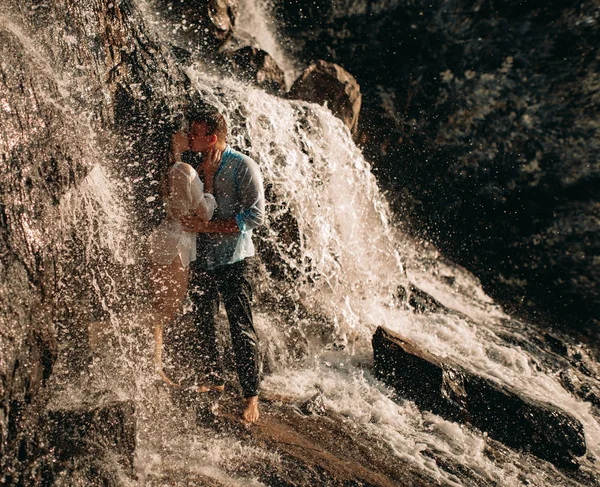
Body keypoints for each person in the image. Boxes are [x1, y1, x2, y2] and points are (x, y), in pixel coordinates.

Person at [179, 104, 265, 424]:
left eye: (195, 133)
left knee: (240, 328)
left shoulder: (244, 166)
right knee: (204, 322)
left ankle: (251, 397)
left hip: (234, 259)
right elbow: (193, 205)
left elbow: (255, 216)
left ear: (212, 137)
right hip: (202, 257)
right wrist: (207, 176)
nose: (189, 136)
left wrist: (207, 227)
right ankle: (213, 379)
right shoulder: (193, 164)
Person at [146, 119, 222, 386]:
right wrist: (209, 180)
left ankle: (157, 370)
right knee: (166, 311)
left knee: (160, 309)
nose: (187, 135)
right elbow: (206, 212)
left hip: (166, 239)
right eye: (182, 133)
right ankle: (104, 328)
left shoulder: (169, 168)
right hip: (177, 244)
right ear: (172, 138)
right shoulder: (183, 169)